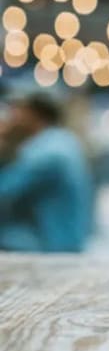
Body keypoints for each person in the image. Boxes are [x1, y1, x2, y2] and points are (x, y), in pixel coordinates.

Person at [0, 92, 92, 252]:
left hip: (53, 243)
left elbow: (5, 190)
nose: (10, 117)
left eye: (16, 110)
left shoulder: (47, 153)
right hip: (66, 238)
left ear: (32, 113)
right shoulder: (63, 140)